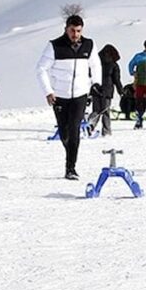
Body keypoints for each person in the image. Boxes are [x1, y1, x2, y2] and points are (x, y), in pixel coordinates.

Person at [35, 14, 101, 180]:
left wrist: (95, 83)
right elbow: (41, 69)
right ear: (66, 29)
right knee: (64, 132)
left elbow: (95, 64)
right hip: (60, 96)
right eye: (72, 30)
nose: (75, 34)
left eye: (78, 31)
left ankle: (70, 167)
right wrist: (48, 91)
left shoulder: (89, 44)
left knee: (74, 129)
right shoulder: (54, 46)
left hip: (80, 94)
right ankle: (70, 151)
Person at [95, 44, 124, 136]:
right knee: (105, 112)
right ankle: (106, 130)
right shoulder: (114, 65)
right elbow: (116, 80)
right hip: (107, 90)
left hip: (96, 89)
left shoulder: (96, 63)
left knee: (96, 111)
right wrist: (121, 91)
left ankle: (90, 126)